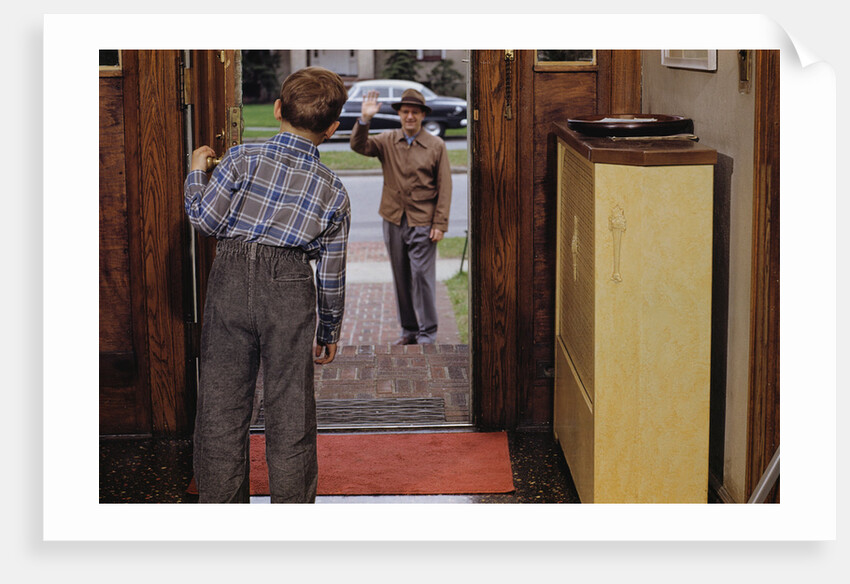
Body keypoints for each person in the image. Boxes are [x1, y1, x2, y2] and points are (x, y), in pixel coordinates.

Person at [183, 67, 350, 503]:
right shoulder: (334, 192)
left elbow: (205, 220)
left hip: (232, 278)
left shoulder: (240, 159)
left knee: (221, 405)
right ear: (332, 130)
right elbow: (331, 273)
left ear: (277, 110)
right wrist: (328, 330)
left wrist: (196, 173)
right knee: (290, 405)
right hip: (291, 283)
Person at [350, 87, 452, 345]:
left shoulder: (436, 145)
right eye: (405, 111)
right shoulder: (386, 140)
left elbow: (445, 186)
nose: (409, 116)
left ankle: (428, 332)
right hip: (394, 219)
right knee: (401, 276)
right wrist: (365, 120)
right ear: (399, 114)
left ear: (422, 115)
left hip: (423, 221)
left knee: (422, 277)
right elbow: (359, 145)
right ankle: (409, 330)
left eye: (414, 112)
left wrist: (440, 223)